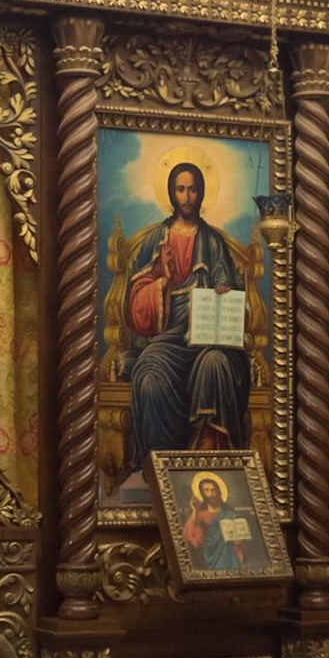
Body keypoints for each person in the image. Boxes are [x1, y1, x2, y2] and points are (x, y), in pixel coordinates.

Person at [123, 162, 253, 479]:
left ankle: (210, 450)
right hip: (169, 337)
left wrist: (224, 291)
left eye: (193, 189)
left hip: (208, 337)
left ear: (201, 193)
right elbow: (135, 303)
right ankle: (159, 464)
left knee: (215, 364)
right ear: (171, 192)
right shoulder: (156, 239)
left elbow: (230, 288)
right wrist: (163, 281)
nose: (187, 196)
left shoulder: (213, 241)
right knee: (148, 373)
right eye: (180, 189)